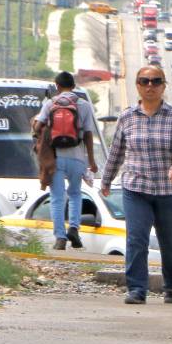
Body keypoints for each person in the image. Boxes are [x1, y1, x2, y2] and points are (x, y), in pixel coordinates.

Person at [100, 65, 172, 305]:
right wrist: (106, 180)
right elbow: (116, 151)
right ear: (137, 86)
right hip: (135, 188)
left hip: (168, 190)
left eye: (155, 81)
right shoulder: (127, 117)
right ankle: (137, 288)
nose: (150, 86)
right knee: (136, 238)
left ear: (163, 86)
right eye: (144, 81)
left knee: (171, 242)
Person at [32, 71, 99, 250]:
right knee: (76, 194)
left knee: (57, 197)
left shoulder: (50, 103)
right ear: (74, 86)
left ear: (57, 86)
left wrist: (44, 135)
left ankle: (60, 238)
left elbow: (38, 127)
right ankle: (74, 229)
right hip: (77, 159)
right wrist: (91, 161)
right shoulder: (83, 105)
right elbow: (88, 134)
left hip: (56, 158)